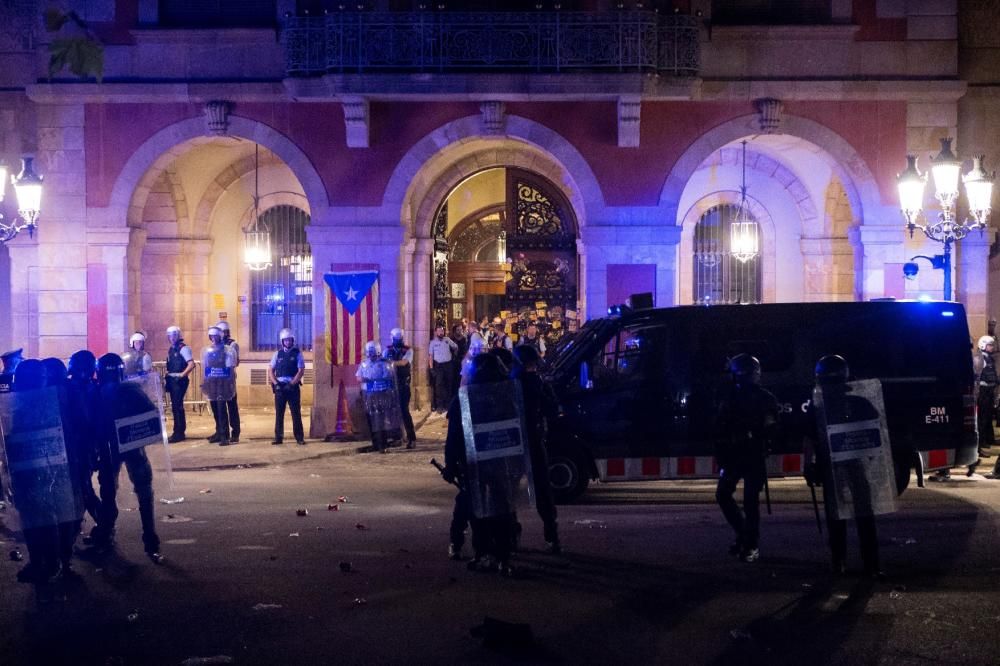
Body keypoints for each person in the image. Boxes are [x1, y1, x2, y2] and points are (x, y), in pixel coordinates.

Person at [803, 355, 883, 578]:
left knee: (840, 517)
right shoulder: (855, 402)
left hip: (837, 465)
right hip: (850, 465)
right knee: (861, 515)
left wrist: (808, 464)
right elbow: (876, 431)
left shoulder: (822, 406)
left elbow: (808, 439)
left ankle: (841, 562)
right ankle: (869, 565)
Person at [443, 353, 523, 576]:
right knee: (502, 509)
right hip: (498, 462)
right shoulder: (507, 395)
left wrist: (451, 464)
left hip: (476, 463)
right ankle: (502, 556)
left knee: (478, 510)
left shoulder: (466, 396)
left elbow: (454, 436)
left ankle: (485, 553)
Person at [90, 353, 163, 563]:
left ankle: (108, 536)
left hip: (114, 448)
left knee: (111, 492)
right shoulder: (130, 390)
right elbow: (152, 415)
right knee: (141, 493)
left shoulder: (100, 393)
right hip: (128, 447)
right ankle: (149, 539)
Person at [715, 353, 780, 563]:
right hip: (741, 455)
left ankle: (750, 542)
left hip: (749, 455)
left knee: (742, 500)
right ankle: (746, 537)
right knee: (734, 498)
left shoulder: (760, 398)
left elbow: (771, 429)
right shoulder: (739, 397)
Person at [511, 345, 561, 553]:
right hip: (534, 438)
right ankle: (551, 534)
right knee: (542, 488)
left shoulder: (512, 383)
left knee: (511, 489)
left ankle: (512, 534)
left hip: (515, 441)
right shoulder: (538, 383)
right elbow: (552, 409)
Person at [357, 341, 399, 453]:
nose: (370, 354)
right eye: (368, 351)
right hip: (369, 395)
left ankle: (383, 445)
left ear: (377, 351)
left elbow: (388, 377)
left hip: (382, 395)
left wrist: (371, 380)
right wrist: (364, 379)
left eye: (372, 351)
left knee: (380, 421)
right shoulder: (364, 364)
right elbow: (358, 377)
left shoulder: (384, 364)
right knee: (371, 421)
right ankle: (375, 444)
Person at [268, 328, 306, 446]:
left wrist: (292, 383)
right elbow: (270, 370)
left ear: (292, 341)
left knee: (296, 413)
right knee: (279, 413)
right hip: (280, 387)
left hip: (292, 387)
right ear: (282, 341)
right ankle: (278, 437)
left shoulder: (297, 354)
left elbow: (301, 371)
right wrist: (276, 384)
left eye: (290, 340)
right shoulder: (277, 354)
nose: (288, 342)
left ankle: (299, 437)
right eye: (286, 340)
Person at [202, 326, 236, 446]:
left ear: (220, 336)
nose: (213, 338)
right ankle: (218, 432)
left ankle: (224, 435)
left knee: (222, 410)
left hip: (223, 383)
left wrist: (230, 383)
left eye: (216, 336)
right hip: (212, 383)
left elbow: (230, 368)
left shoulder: (227, 350)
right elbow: (205, 367)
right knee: (215, 409)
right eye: (211, 336)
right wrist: (205, 382)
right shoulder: (208, 351)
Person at [384, 327, 417, 447]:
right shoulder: (387, 350)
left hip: (403, 385)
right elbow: (383, 362)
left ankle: (411, 438)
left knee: (404, 411)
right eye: (395, 338)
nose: (397, 340)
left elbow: (404, 362)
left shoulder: (408, 350)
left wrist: (391, 363)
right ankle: (397, 437)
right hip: (392, 385)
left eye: (399, 338)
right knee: (393, 411)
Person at [210, 321, 241, 443]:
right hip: (216, 379)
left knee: (231, 405)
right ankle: (220, 431)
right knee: (218, 406)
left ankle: (235, 433)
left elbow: (233, 361)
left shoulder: (232, 344)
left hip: (228, 379)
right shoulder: (215, 345)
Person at [164, 325, 195, 443]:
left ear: (178, 335)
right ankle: (178, 431)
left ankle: (179, 433)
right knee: (175, 406)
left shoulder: (183, 348)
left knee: (177, 406)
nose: (172, 338)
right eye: (170, 336)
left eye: (174, 335)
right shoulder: (172, 349)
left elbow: (191, 364)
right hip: (172, 380)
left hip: (179, 381)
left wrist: (182, 375)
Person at [973, 336, 997, 462]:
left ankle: (987, 439)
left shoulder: (989, 358)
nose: (992, 347)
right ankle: (981, 442)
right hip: (982, 393)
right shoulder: (980, 358)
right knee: (982, 418)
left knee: (987, 417)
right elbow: (977, 376)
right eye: (990, 345)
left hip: (989, 391)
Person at [428, 324, 459, 413]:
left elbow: (455, 347)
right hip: (439, 366)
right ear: (435, 332)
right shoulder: (433, 342)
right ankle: (439, 406)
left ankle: (448, 405)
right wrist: (431, 368)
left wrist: (454, 356)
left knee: (448, 385)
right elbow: (430, 356)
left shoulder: (447, 340)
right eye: (439, 331)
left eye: (442, 331)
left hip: (448, 365)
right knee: (438, 386)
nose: (441, 332)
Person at [450, 322, 469, 391]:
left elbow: (466, 349)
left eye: (461, 330)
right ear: (455, 331)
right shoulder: (451, 339)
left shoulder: (464, 339)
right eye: (458, 330)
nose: (460, 331)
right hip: (454, 361)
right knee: (454, 379)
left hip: (462, 360)